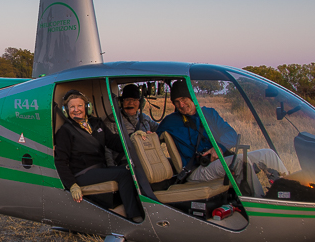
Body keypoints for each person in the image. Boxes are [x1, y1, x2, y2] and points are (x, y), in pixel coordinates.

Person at [157, 80, 287, 195]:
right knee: (239, 161)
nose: (181, 105)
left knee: (269, 155)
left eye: (184, 99)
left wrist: (219, 147)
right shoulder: (170, 122)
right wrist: (146, 136)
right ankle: (259, 205)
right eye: (177, 101)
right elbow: (154, 138)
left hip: (219, 161)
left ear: (192, 97)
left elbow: (232, 135)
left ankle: (288, 192)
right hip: (197, 169)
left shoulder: (209, 113)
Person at [54, 90, 144, 222]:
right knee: (124, 173)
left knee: (130, 168)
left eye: (79, 106)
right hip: (82, 173)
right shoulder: (65, 131)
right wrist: (72, 185)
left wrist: (132, 138)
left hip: (100, 169)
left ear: (87, 107)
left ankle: (132, 209)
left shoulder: (96, 123)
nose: (76, 110)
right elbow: (61, 161)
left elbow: (113, 142)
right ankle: (134, 217)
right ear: (66, 111)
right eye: (72, 107)